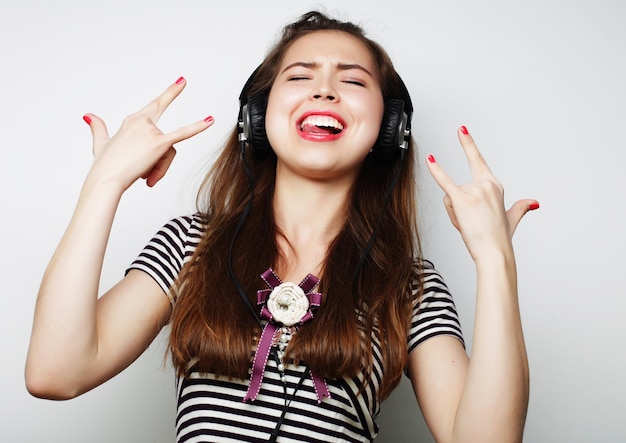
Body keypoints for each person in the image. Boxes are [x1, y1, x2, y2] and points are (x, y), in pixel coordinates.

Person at [25, 10, 537, 443]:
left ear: (389, 130)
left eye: (353, 80)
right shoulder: (192, 246)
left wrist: (496, 260)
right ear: (257, 115)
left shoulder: (409, 286)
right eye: (300, 76)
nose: (325, 90)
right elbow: (55, 372)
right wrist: (105, 183)